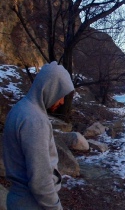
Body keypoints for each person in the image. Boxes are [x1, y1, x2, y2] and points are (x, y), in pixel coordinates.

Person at [3, 61, 74, 210]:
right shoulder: (34, 120)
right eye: (60, 95)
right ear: (50, 88)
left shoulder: (20, 108)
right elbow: (40, 181)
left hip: (19, 200)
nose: (61, 101)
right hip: (32, 203)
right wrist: (55, 207)